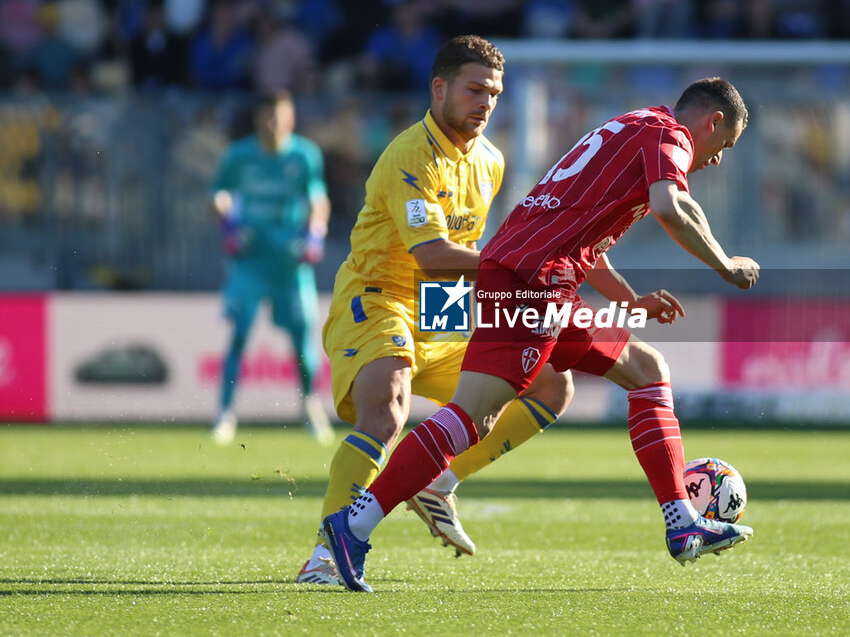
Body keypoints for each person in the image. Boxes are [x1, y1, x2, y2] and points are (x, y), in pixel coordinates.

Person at [318, 77, 761, 592]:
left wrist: (630, 302)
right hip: (531, 285)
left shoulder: (634, 127)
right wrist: (725, 264)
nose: (717, 159)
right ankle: (353, 526)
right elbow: (671, 208)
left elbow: (584, 236)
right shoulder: (671, 138)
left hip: (540, 279)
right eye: (724, 146)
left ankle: (681, 521)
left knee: (646, 370)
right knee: (471, 416)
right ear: (711, 123)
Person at [296, 35, 574, 584]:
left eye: (494, 94)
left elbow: (468, 254)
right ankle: (327, 557)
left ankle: (438, 481)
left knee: (551, 384)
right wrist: (523, 268)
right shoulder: (409, 155)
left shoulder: (490, 161)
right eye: (474, 90)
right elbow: (432, 254)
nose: (486, 103)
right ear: (439, 88)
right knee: (388, 406)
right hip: (377, 297)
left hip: (437, 308)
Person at [210, 90, 335, 446]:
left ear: (291, 119)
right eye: (267, 117)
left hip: (290, 265)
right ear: (257, 120)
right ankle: (225, 414)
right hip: (250, 263)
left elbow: (318, 199)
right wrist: (228, 223)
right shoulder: (238, 156)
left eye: (279, 117)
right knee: (238, 337)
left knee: (302, 342)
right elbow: (218, 195)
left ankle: (310, 407)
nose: (273, 125)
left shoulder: (305, 154)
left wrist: (315, 234)